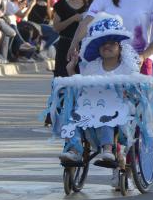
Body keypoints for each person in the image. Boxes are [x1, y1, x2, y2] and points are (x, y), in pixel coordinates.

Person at [59, 13, 140, 164]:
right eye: (102, 43)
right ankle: (74, 149)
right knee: (72, 115)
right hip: (92, 106)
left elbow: (135, 90)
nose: (106, 46)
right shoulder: (92, 66)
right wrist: (71, 70)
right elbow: (80, 86)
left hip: (119, 109)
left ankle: (108, 149)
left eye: (111, 42)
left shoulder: (127, 68)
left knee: (106, 113)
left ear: (119, 46)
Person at [52, 0, 90, 77]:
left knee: (82, 80)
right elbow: (56, 27)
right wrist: (73, 18)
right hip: (65, 45)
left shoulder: (91, 4)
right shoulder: (61, 4)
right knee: (62, 78)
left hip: (84, 47)